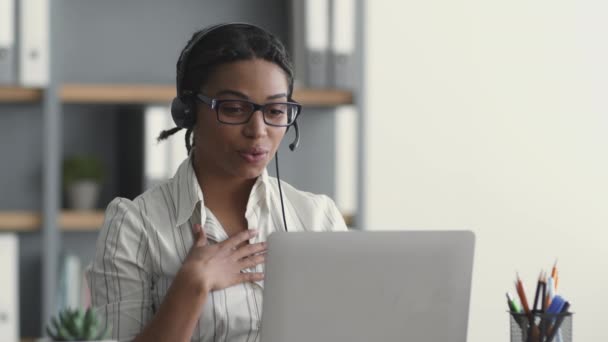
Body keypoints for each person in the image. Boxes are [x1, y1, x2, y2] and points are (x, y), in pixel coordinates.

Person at [86, 22, 348, 342]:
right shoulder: (134, 226)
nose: (258, 130)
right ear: (188, 111)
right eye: (235, 109)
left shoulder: (318, 218)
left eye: (276, 110)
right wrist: (192, 286)